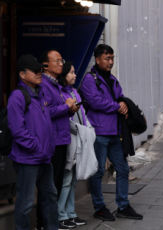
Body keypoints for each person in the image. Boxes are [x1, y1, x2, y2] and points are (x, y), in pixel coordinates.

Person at [79, 44, 143, 221]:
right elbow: (95, 101)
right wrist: (117, 106)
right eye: (107, 58)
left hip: (115, 132)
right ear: (97, 59)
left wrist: (123, 104)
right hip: (99, 133)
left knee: (122, 169)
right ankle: (99, 207)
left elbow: (120, 96)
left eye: (112, 58)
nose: (110, 62)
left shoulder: (112, 79)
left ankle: (123, 205)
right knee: (98, 171)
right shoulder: (90, 80)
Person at [8, 55, 57, 230]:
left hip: (44, 158)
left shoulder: (40, 93)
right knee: (26, 202)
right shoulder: (17, 97)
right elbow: (18, 131)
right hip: (27, 159)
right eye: (34, 71)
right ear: (22, 74)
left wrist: (47, 149)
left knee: (50, 196)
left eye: (40, 70)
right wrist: (36, 147)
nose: (39, 73)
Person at [40, 50, 79, 197]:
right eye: (57, 61)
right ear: (45, 65)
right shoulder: (44, 85)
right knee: (51, 184)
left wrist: (71, 110)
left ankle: (53, 218)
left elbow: (61, 110)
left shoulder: (56, 85)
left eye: (61, 60)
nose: (61, 64)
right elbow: (46, 112)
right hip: (52, 140)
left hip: (62, 138)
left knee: (58, 182)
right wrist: (66, 106)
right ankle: (45, 220)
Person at [56, 62, 88, 229]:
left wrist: (88, 130)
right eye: (71, 72)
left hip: (80, 138)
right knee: (66, 179)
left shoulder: (75, 92)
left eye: (75, 72)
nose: (74, 75)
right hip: (68, 139)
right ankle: (61, 215)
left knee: (73, 179)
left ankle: (71, 213)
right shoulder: (60, 94)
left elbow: (82, 115)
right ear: (63, 75)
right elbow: (65, 119)